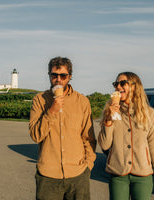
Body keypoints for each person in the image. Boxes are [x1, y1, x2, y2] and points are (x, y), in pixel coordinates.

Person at [29, 56, 97, 200]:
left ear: (69, 77)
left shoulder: (82, 101)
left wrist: (87, 166)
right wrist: (51, 111)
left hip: (78, 175)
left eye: (63, 75)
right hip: (48, 176)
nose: (58, 79)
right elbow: (35, 136)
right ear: (49, 76)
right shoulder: (39, 100)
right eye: (54, 75)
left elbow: (88, 138)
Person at [98, 72, 154, 200]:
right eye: (116, 84)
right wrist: (109, 119)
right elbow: (104, 144)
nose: (118, 87)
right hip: (118, 173)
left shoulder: (149, 113)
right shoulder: (109, 111)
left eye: (122, 83)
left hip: (143, 174)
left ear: (134, 86)